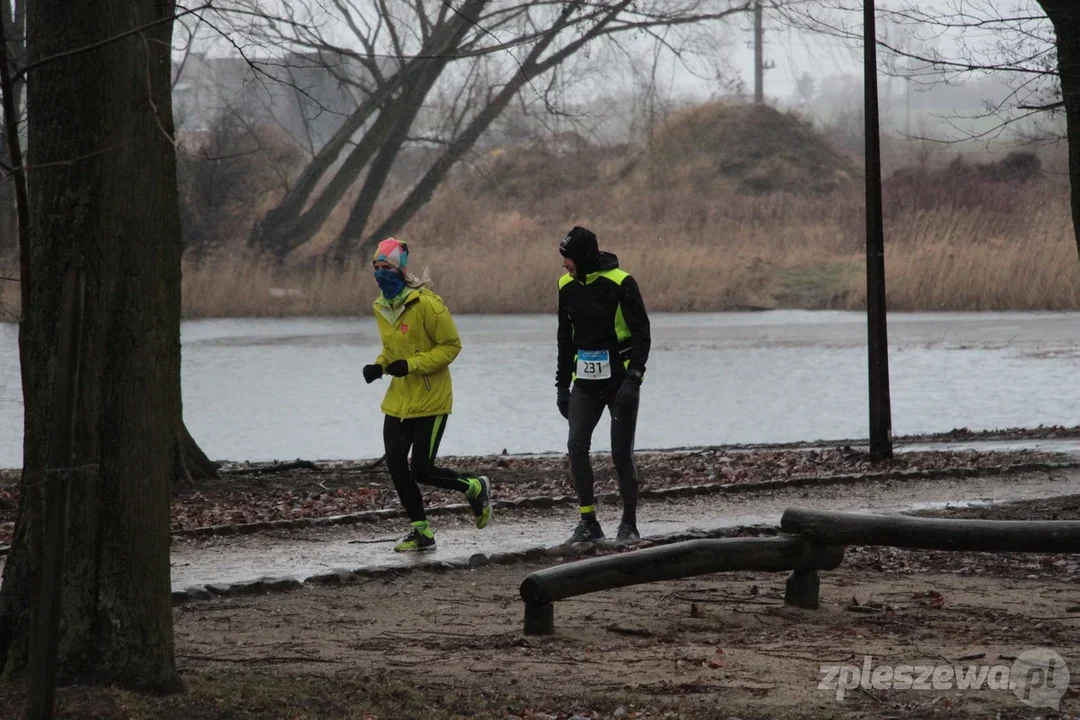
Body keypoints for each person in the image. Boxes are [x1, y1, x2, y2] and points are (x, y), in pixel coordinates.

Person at [362, 237, 492, 552]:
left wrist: (412, 365)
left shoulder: (428, 304)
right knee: (395, 464)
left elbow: (451, 347)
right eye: (376, 268)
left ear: (400, 270)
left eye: (386, 267)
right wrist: (379, 366)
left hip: (431, 400)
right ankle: (422, 532)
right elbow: (393, 350)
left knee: (422, 469)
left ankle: (474, 487)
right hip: (398, 401)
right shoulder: (381, 306)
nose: (380, 274)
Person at [555, 226, 651, 544]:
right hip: (584, 383)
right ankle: (588, 522)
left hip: (620, 382)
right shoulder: (565, 286)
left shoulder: (621, 283)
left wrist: (634, 380)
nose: (564, 265)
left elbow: (642, 334)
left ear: (583, 257)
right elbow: (564, 340)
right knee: (576, 446)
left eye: (568, 259)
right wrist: (561, 387)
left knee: (620, 452)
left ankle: (629, 524)